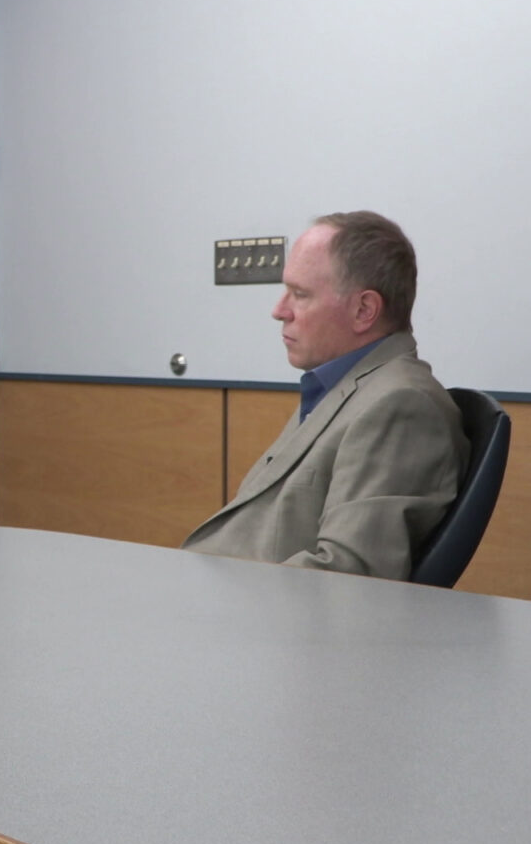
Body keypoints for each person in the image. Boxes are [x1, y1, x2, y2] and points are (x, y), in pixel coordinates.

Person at [182, 211, 469, 580]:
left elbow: (346, 576)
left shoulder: (400, 404)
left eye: (300, 295)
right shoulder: (342, 386)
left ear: (364, 310)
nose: (279, 311)